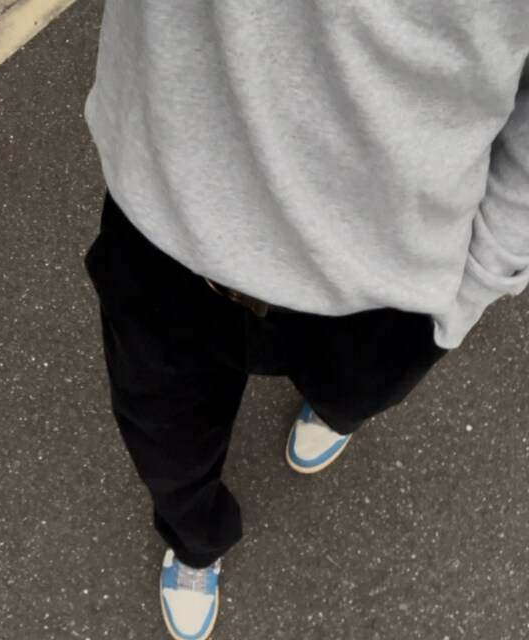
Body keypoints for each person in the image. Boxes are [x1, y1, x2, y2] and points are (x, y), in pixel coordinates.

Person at [83, 2, 529, 639]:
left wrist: (479, 280)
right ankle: (195, 545)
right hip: (166, 224)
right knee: (167, 447)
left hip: (386, 284)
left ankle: (333, 410)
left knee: (354, 395)